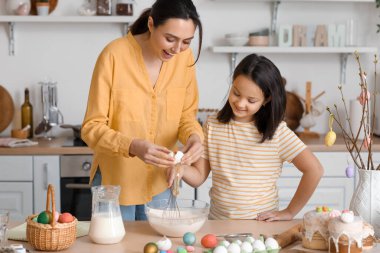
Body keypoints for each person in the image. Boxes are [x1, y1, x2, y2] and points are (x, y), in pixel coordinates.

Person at [81, 0, 204, 221]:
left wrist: (195, 136)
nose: (177, 49)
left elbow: (186, 116)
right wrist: (132, 146)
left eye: (186, 42)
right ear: (150, 24)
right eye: (170, 39)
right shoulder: (114, 56)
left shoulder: (184, 60)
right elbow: (91, 128)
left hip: (162, 183)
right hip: (116, 185)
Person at [167, 54, 324, 221]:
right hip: (219, 224)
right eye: (236, 93)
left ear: (266, 100)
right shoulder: (212, 125)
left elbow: (315, 170)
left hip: (260, 226)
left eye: (251, 100)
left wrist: (289, 212)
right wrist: (181, 169)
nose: (240, 103)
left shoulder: (277, 132)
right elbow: (198, 177)